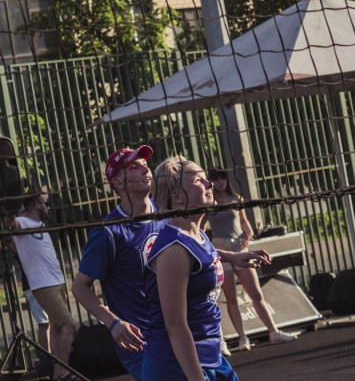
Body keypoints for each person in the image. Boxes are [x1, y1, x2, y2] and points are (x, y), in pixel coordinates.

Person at [143, 157, 271, 381]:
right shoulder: (173, 250)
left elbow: (201, 256)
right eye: (198, 180)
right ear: (177, 196)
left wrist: (233, 256)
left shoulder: (196, 233)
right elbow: (175, 325)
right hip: (177, 364)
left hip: (210, 355)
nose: (209, 184)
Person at [73, 146, 167, 380]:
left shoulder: (165, 213)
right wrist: (112, 322)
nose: (145, 168)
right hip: (140, 344)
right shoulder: (109, 233)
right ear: (118, 182)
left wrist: (231, 256)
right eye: (134, 167)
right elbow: (79, 287)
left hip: (175, 331)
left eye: (144, 164)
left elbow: (190, 249)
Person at [208, 168, 297, 350]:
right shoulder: (209, 203)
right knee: (230, 297)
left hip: (240, 248)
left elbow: (243, 222)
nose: (220, 183)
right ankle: (242, 338)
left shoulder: (236, 199)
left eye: (222, 178)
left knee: (256, 293)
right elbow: (201, 227)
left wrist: (248, 234)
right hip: (222, 250)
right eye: (215, 180)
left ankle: (273, 331)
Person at [10, 191, 77, 380]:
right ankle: (64, 371)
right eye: (44, 203)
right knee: (69, 324)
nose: (48, 207)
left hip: (56, 281)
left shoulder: (39, 224)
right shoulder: (22, 222)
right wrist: (9, 213)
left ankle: (57, 373)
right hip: (43, 285)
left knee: (56, 326)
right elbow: (12, 224)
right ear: (35, 205)